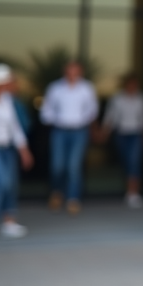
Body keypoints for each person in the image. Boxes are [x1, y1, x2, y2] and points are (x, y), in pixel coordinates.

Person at [40, 60, 99, 214]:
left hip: (79, 131)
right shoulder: (55, 88)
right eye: (69, 70)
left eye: (75, 70)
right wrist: (53, 119)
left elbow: (92, 109)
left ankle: (73, 199)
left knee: (73, 166)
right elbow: (46, 109)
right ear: (64, 71)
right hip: (59, 130)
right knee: (57, 165)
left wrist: (82, 120)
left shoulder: (86, 88)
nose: (72, 73)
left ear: (80, 72)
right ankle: (57, 192)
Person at [100, 73, 143, 208]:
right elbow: (110, 117)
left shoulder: (142, 98)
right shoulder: (117, 99)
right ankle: (128, 189)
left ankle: (133, 193)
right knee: (126, 162)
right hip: (121, 134)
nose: (132, 86)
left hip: (136, 134)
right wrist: (104, 133)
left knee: (134, 162)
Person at [0, 64, 34, 237]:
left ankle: (9, 221)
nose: (13, 84)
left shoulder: (8, 100)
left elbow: (15, 127)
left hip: (8, 148)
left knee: (10, 184)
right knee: (2, 183)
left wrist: (24, 150)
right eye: (9, 80)